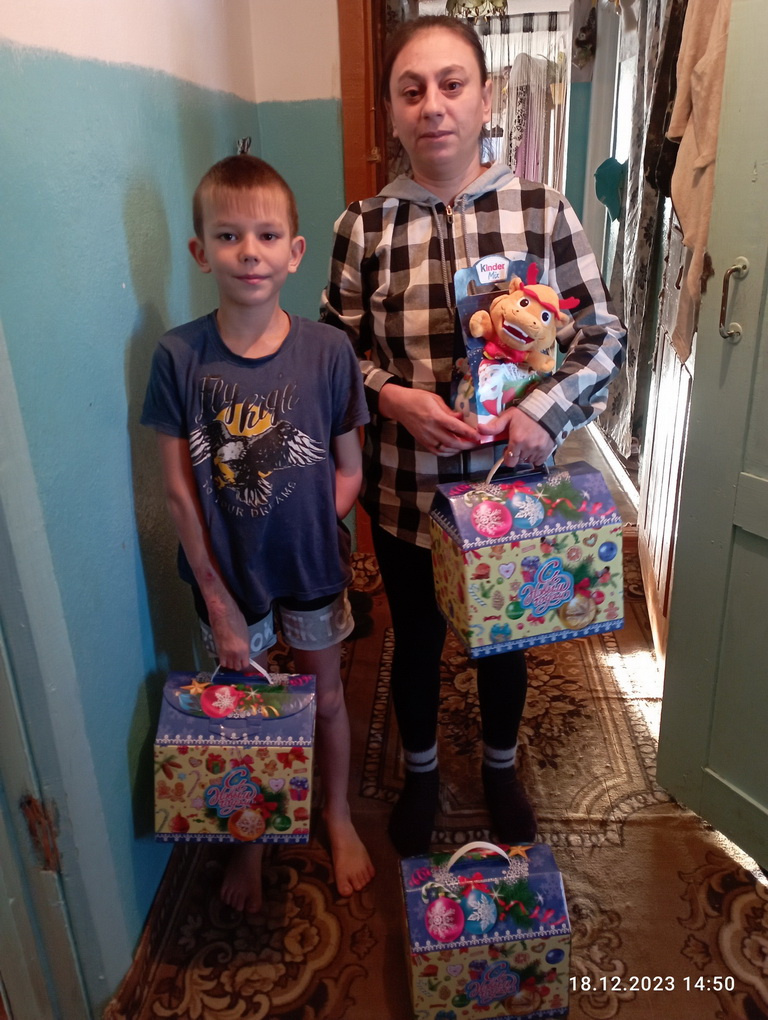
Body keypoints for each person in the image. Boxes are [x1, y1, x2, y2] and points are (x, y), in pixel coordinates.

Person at [321, 16, 626, 856]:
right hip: (404, 489)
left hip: (510, 491)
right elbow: (334, 352)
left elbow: (602, 335)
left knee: (504, 639)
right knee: (416, 639)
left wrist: (541, 413)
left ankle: (499, 767)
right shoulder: (363, 226)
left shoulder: (544, 212)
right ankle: (421, 773)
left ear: (485, 98)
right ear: (391, 111)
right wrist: (392, 399)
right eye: (411, 90)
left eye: (452, 85)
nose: (433, 106)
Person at [142, 154, 375, 911]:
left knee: (326, 698)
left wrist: (309, 525)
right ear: (200, 251)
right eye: (229, 235)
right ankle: (250, 838)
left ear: (295, 252)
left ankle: (335, 814)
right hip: (226, 578)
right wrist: (216, 601)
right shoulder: (179, 357)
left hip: (310, 569)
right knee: (246, 712)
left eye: (268, 235)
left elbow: (349, 469)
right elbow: (178, 491)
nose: (250, 252)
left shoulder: (329, 352)